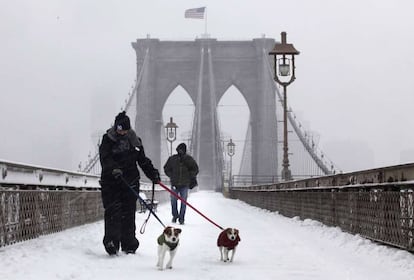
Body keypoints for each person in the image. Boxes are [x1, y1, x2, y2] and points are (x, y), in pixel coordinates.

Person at [99, 111, 160, 255]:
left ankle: (129, 244)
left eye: (125, 130)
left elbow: (143, 160)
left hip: (130, 182)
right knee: (113, 212)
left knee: (128, 214)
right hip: (111, 183)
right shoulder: (107, 140)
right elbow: (105, 158)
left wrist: (153, 174)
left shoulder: (135, 141)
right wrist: (113, 169)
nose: (122, 132)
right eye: (120, 129)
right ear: (116, 128)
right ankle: (112, 243)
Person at [163, 143, 199, 225]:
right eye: (179, 149)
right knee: (173, 201)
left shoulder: (189, 159)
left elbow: (195, 169)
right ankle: (175, 216)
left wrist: (189, 176)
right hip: (175, 184)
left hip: (184, 185)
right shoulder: (173, 159)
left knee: (183, 202)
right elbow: (166, 168)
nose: (180, 151)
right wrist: (171, 175)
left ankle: (181, 218)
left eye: (182, 149)